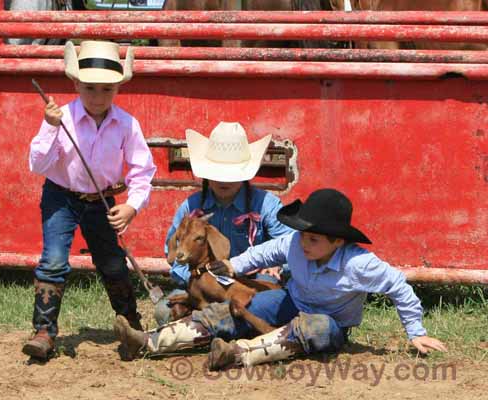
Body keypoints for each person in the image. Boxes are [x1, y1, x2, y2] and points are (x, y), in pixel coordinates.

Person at [115, 188, 447, 368]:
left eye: (314, 239)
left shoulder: (360, 264)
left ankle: (240, 353)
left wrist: (415, 332)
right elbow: (265, 253)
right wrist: (233, 266)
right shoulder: (295, 243)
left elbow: (398, 286)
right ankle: (148, 342)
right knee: (233, 305)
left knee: (315, 327)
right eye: (304, 235)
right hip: (290, 301)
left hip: (330, 321)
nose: (304, 242)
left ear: (338, 241)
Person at [23, 40, 156, 360]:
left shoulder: (127, 124)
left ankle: (131, 323)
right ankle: (44, 331)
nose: (98, 97)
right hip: (60, 197)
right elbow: (37, 165)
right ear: (76, 84)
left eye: (107, 90)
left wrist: (131, 206)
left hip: (103, 201)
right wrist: (50, 127)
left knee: (112, 264)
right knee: (53, 260)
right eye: (90, 88)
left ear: (118, 88)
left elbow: (142, 171)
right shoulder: (61, 118)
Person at [154, 121, 294, 325]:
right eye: (217, 173)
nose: (224, 181)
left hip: (251, 282)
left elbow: (291, 246)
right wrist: (202, 284)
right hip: (201, 284)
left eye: (232, 174)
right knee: (163, 312)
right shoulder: (191, 207)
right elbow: (175, 256)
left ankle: (210, 323)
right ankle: (226, 320)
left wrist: (277, 265)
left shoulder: (267, 205)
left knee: (268, 297)